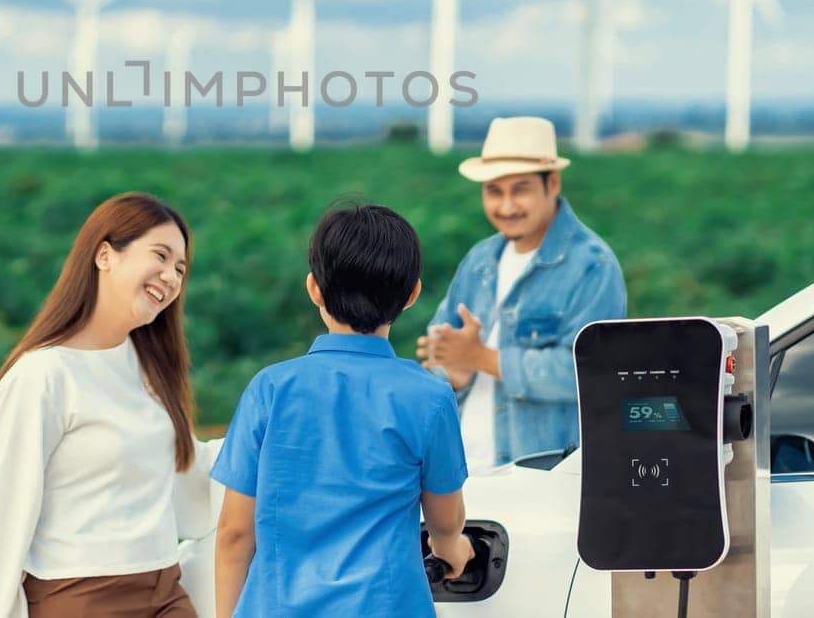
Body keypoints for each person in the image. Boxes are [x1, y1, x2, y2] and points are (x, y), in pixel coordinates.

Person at [0, 192, 215, 618]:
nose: (171, 276)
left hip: (166, 593)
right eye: (161, 256)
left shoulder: (147, 368)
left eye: (180, 268)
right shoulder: (42, 375)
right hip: (80, 599)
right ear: (104, 255)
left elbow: (193, 475)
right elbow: (1, 511)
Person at [210, 201, 474, 617]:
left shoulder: (270, 389)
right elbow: (445, 522)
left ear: (314, 288)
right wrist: (453, 549)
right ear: (411, 295)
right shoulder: (429, 397)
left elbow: (235, 535)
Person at [416, 116, 626, 472]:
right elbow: (441, 353)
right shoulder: (480, 260)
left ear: (553, 183)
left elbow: (591, 372)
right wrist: (454, 373)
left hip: (541, 479)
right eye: (494, 191)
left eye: (521, 189)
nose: (507, 206)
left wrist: (483, 358)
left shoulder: (592, 266)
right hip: (463, 473)